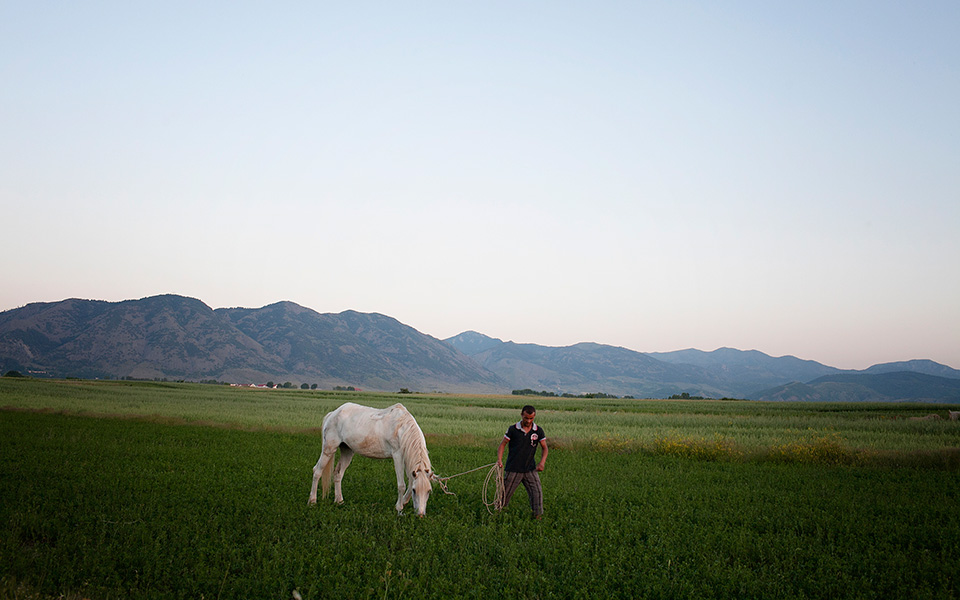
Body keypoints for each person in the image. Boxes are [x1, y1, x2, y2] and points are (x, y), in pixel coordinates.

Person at [496, 404, 548, 519]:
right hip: (513, 469)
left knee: (537, 493)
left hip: (530, 469)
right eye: (526, 418)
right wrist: (499, 460)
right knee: (504, 496)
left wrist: (542, 462)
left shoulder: (538, 431)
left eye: (531, 418)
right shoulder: (513, 429)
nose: (528, 421)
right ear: (521, 415)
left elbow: (545, 447)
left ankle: (537, 518)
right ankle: (497, 516)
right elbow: (503, 444)